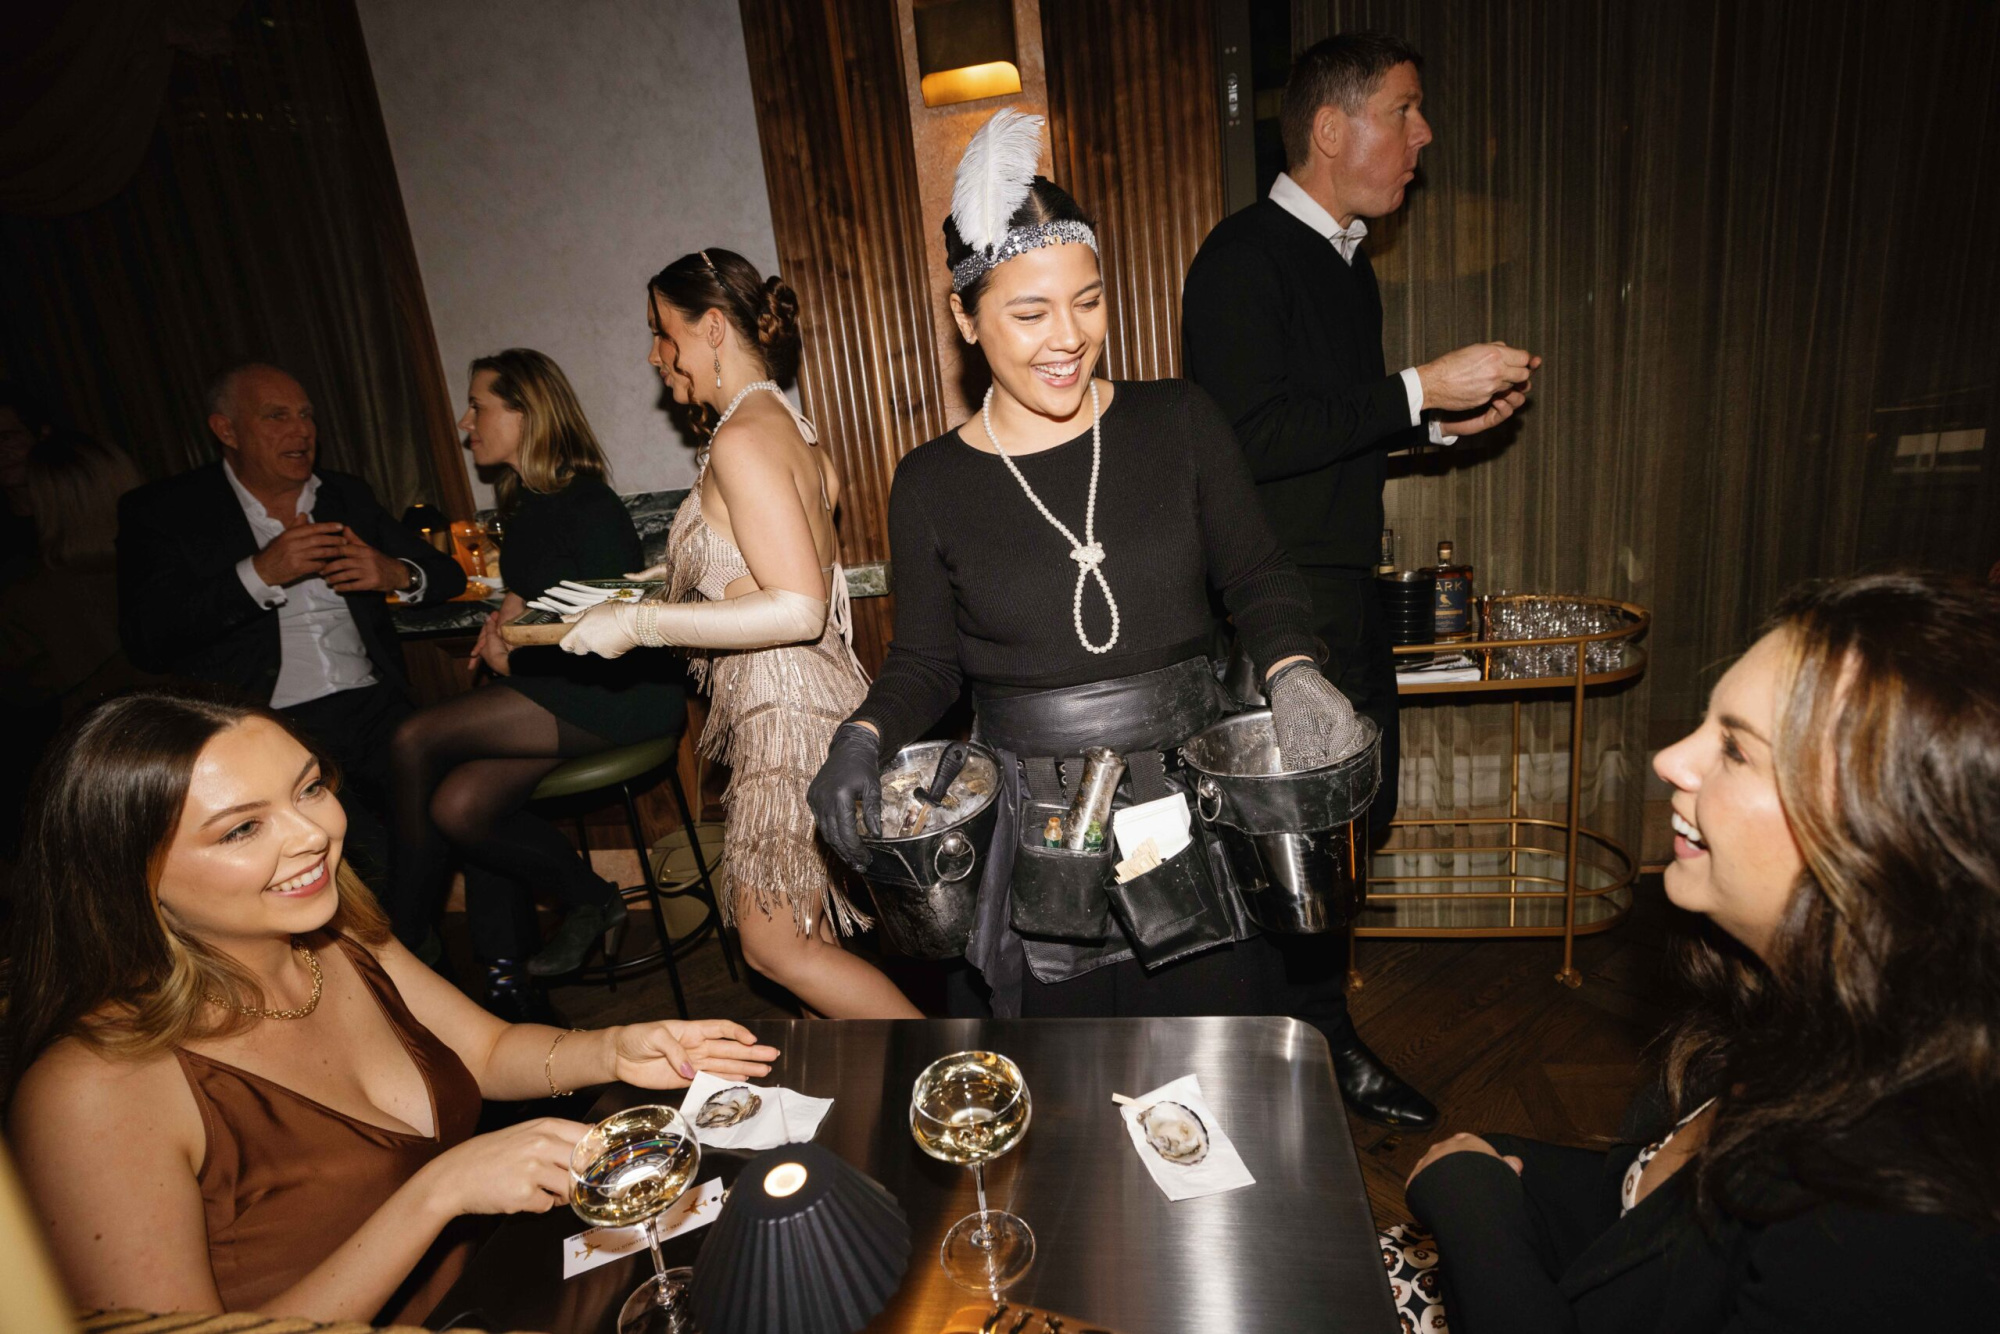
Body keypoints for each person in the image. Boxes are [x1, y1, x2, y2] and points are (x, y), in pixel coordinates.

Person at [804, 108, 1426, 1125]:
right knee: (1073, 1112)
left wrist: (1293, 672)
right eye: (1029, 313)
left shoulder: (1177, 422)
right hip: (1035, 826)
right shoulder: (929, 483)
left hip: (1192, 806)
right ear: (965, 319)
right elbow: (923, 659)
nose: (1068, 339)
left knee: (1218, 1091)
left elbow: (1261, 578)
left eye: (1087, 303)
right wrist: (862, 735)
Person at [4, 686, 777, 1326]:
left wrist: (613, 1050)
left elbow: (483, 1052)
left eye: (310, 788)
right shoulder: (94, 1088)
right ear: (131, 877)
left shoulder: (336, 939)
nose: (313, 834)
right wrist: (436, 1195)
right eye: (243, 828)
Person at [1388, 573, 2000, 1331]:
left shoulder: (1892, 1213)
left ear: (1884, 840)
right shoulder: (1794, 1006)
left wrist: (1473, 1211)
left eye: (1736, 750)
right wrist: (1498, 1161)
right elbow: (1652, 1213)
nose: (1672, 759)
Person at [1183, 33, 1543, 1127]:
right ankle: (1295, 1049)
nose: (1423, 135)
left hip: (1338, 585)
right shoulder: (1243, 256)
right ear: (1332, 131)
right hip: (1275, 606)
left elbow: (1322, 436)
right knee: (1292, 837)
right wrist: (1414, 385)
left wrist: (1429, 426)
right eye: (1406, 110)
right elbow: (1240, 437)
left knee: (1352, 816)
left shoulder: (1343, 265)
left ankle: (1310, 1035)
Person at [557, 249, 920, 1020]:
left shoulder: (743, 438)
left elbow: (796, 608)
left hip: (787, 713)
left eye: (662, 332)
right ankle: (881, 1098)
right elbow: (776, 575)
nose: (655, 354)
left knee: (776, 947)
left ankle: (959, 1080)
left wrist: (637, 623)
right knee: (808, 935)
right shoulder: (786, 425)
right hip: (809, 698)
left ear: (712, 327)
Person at [386, 350, 688, 1009]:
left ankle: (405, 936)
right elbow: (539, 598)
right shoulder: (526, 506)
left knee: (414, 739)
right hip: (564, 694)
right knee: (458, 806)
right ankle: (589, 901)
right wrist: (507, 620)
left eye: (479, 405)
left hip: (622, 698)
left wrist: (514, 658)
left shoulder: (587, 503)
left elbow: (612, 634)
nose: (467, 422)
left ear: (527, 413)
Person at [115, 363, 466, 890]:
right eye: (276, 416)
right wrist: (258, 574)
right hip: (266, 722)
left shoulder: (344, 495)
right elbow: (149, 638)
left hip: (373, 707)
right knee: (367, 857)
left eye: (306, 416)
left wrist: (395, 573)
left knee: (470, 802)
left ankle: (501, 965)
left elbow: (446, 574)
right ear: (226, 430)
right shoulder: (167, 511)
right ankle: (412, 952)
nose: (301, 431)